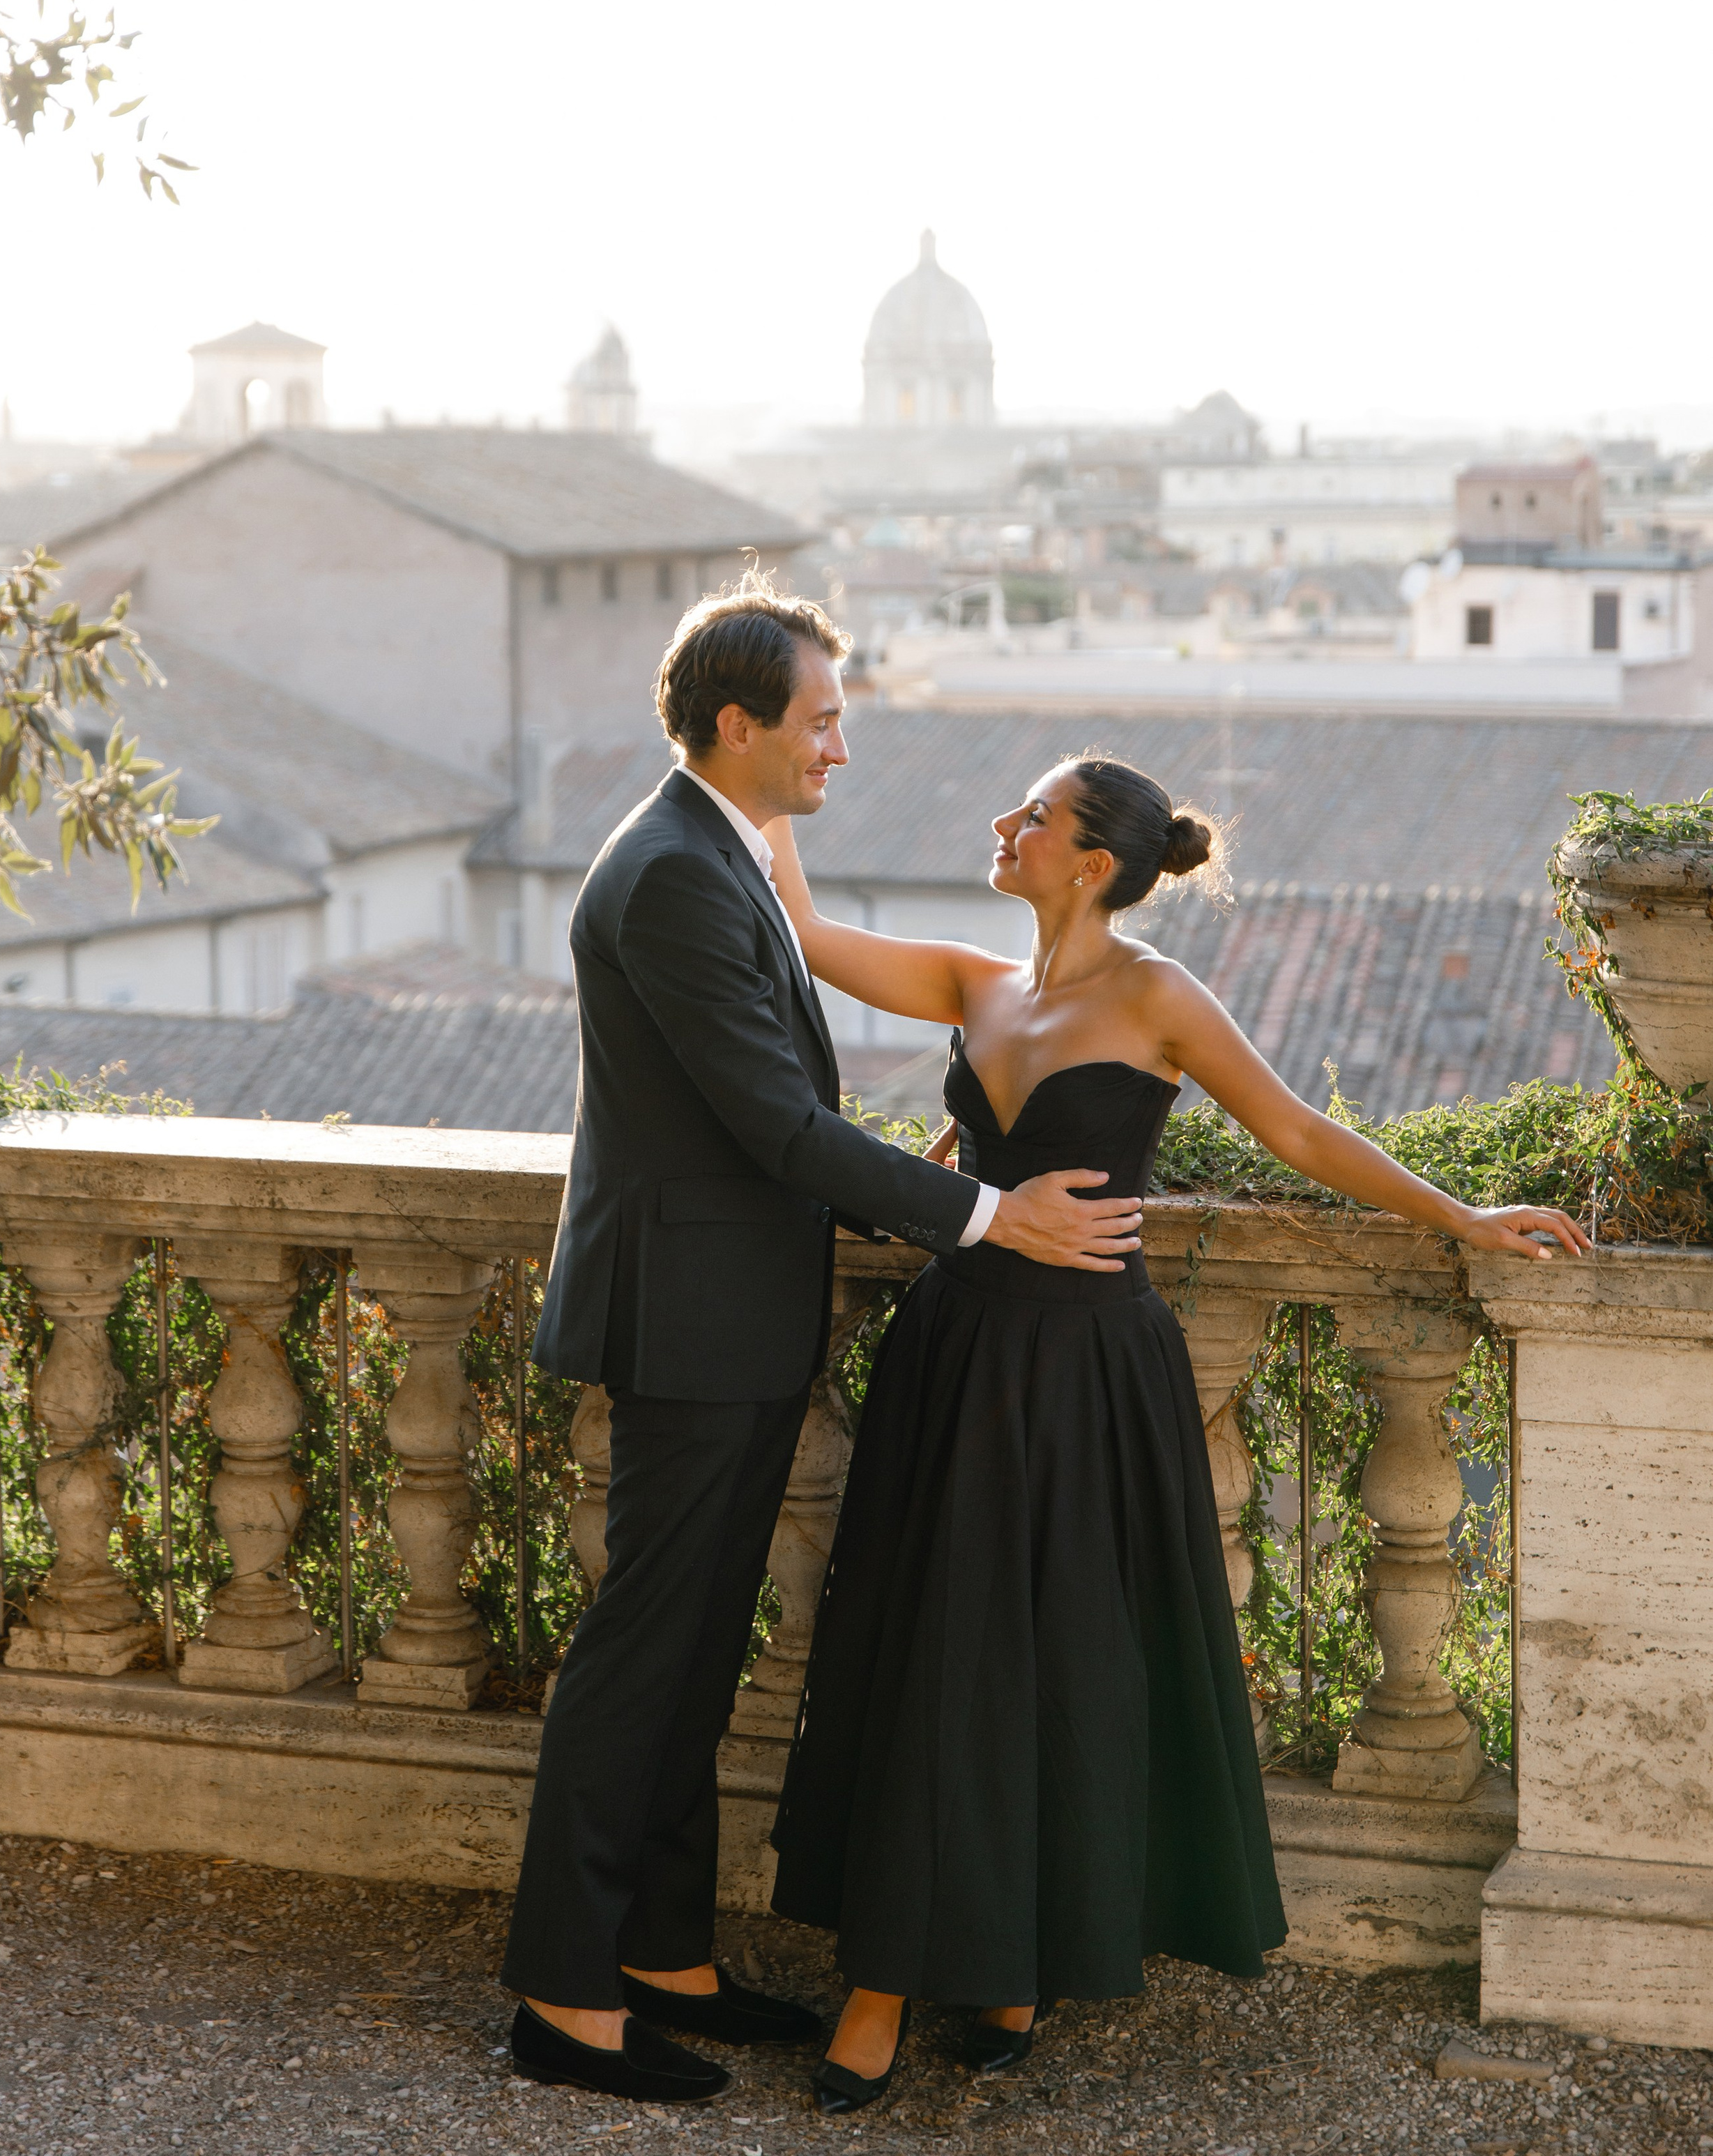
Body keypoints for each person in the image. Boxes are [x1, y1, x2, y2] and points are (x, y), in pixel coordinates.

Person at [765, 752, 1590, 2115]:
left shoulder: (1158, 998)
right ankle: (880, 1978)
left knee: (1059, 1658)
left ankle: (1013, 1951)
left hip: (1095, 1374)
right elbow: (799, 933)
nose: (1002, 825)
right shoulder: (976, 982)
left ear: (1088, 863)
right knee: (933, 1642)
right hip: (959, 1357)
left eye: (1030, 816)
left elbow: (1296, 1134)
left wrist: (1463, 1218)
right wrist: (765, 793)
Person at [501, 584, 1148, 2106]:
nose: (838, 748)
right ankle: (558, 1999)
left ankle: (662, 1957)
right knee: (638, 1661)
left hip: (724, 1314)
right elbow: (778, 1126)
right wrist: (988, 1215)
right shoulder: (667, 874)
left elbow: (781, 1105)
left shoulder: (711, 851)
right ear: (740, 726)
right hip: (687, 1324)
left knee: (692, 1650)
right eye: (822, 720)